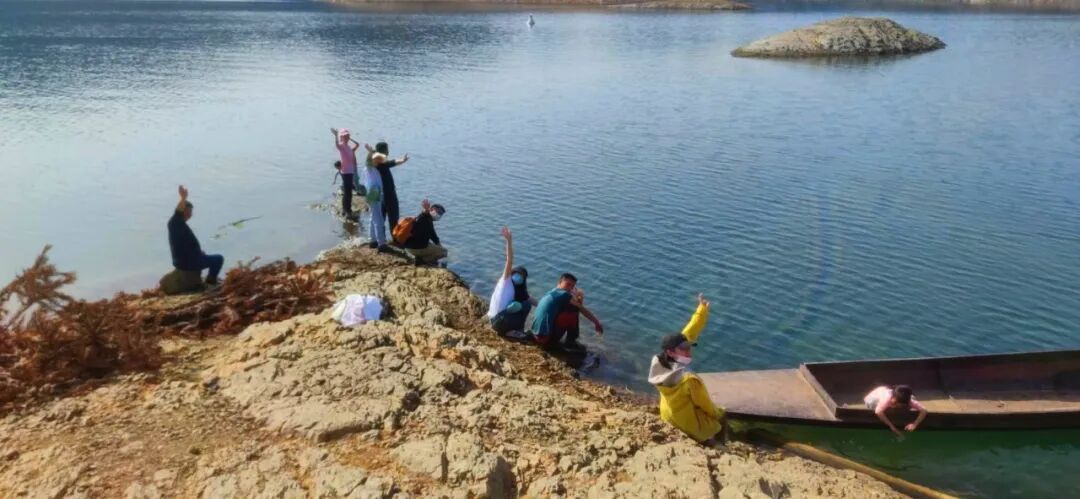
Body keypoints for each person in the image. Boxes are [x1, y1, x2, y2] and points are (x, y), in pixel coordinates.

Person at [647, 294, 724, 444]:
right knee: (719, 422)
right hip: (685, 422)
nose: (689, 351)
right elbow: (706, 406)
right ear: (671, 352)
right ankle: (715, 443)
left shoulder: (659, 363)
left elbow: (690, 332)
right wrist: (719, 413)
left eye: (689, 347)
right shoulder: (689, 379)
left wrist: (701, 310)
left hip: (666, 414)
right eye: (684, 349)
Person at [167, 185, 224, 286]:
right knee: (218, 259)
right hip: (188, 263)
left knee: (205, 256)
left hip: (184, 260)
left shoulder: (179, 225)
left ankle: (206, 274)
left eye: (191, 212)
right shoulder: (175, 223)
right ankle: (211, 281)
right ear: (183, 210)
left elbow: (185, 245)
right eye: (189, 211)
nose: (190, 214)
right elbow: (177, 212)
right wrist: (183, 198)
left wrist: (199, 253)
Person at [530, 273, 603, 351]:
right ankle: (570, 343)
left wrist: (575, 297)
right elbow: (581, 309)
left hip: (536, 335)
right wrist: (596, 322)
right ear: (560, 282)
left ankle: (568, 341)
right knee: (573, 310)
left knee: (568, 308)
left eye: (572, 286)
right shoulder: (564, 294)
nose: (570, 288)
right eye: (568, 284)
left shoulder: (552, 292)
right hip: (545, 339)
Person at [487, 227, 536, 339]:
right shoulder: (506, 281)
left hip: (496, 321)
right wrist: (509, 241)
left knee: (524, 303)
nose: (519, 277)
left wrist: (542, 304)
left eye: (522, 277)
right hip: (498, 321)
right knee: (526, 305)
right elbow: (509, 260)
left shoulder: (517, 290)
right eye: (517, 274)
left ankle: (514, 330)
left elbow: (529, 298)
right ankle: (513, 331)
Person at [365, 142, 410, 232]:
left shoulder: (377, 163)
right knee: (393, 219)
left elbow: (392, 162)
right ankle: (394, 237)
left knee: (380, 219)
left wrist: (372, 151)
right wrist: (403, 160)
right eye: (387, 149)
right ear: (383, 151)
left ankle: (381, 237)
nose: (388, 152)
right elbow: (392, 162)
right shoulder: (380, 163)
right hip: (388, 195)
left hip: (380, 195)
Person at [402, 199, 447, 265]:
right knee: (444, 252)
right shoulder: (425, 217)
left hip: (408, 247)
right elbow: (424, 214)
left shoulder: (426, 219)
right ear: (432, 209)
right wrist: (426, 210)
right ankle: (422, 261)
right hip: (416, 249)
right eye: (438, 212)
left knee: (432, 245)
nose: (439, 215)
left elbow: (434, 236)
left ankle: (419, 258)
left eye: (441, 214)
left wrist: (439, 246)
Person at [331, 128, 360, 219]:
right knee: (348, 192)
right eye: (345, 136)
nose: (347, 137)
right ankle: (346, 210)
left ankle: (347, 209)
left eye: (347, 136)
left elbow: (358, 145)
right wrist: (336, 135)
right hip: (345, 172)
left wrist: (350, 139)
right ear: (342, 137)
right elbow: (337, 145)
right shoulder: (342, 146)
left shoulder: (349, 147)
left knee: (349, 192)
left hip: (350, 172)